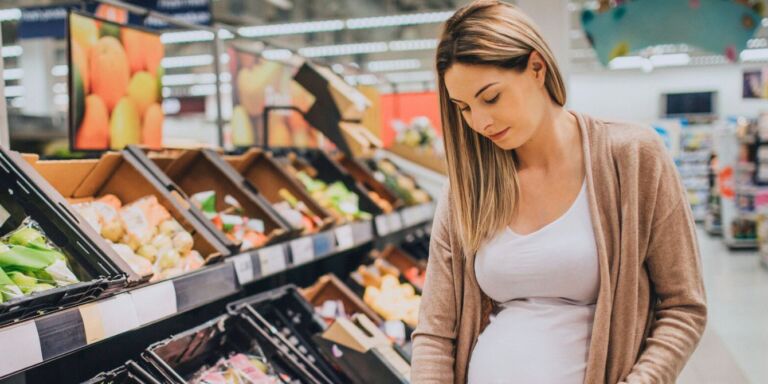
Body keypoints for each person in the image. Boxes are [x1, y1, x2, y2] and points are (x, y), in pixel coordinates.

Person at [410, 1, 707, 383]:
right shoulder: (468, 187)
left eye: (491, 97)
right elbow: (435, 332)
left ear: (536, 67)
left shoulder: (631, 157)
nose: (480, 122)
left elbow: (684, 307)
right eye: (463, 108)